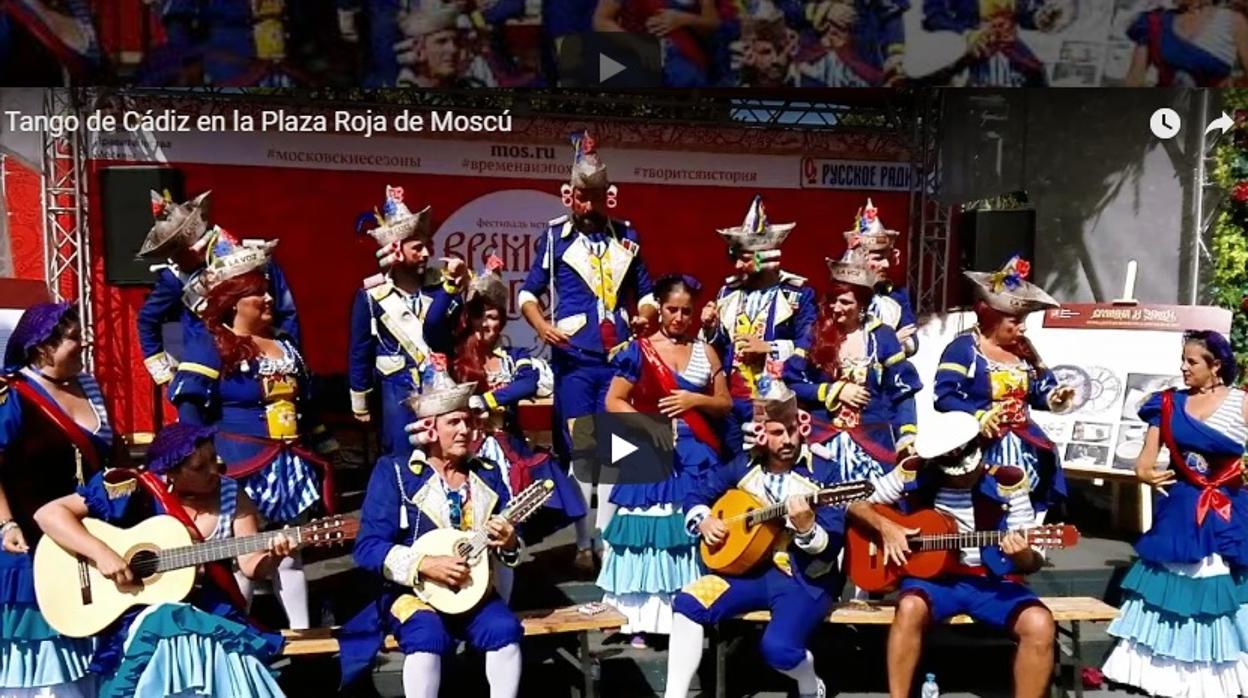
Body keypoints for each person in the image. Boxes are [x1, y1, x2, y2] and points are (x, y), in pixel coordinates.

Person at [34, 422, 296, 698]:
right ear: (170, 472)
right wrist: (102, 553)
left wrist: (273, 556)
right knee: (162, 622)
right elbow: (48, 515)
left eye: (213, 458)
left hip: (209, 607)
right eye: (199, 467)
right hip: (139, 609)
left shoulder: (231, 494)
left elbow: (250, 566)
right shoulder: (135, 488)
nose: (213, 471)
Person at [169, 241, 334, 630]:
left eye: (266, 290)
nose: (267, 298)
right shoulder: (211, 346)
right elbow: (189, 405)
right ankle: (235, 639)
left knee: (290, 553)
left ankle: (303, 638)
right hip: (240, 465)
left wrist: (324, 446)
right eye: (256, 293)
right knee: (245, 558)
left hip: (290, 466)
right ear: (233, 302)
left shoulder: (286, 345)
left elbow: (305, 405)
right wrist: (203, 462)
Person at [518, 130, 658, 572]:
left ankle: (609, 543)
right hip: (575, 359)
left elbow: (647, 292)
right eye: (583, 198)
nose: (590, 207)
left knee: (614, 448)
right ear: (570, 196)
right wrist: (542, 325)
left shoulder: (628, 236)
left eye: (597, 198)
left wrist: (645, 316)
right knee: (582, 452)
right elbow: (527, 293)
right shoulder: (554, 237)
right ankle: (583, 542)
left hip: (617, 355)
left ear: (607, 197)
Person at [340, 372, 524, 698]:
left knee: (504, 629)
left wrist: (509, 541)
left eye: (468, 421)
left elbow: (512, 546)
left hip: (472, 591)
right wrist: (424, 563)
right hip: (412, 592)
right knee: (426, 635)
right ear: (429, 429)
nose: (465, 430)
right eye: (454, 422)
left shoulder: (488, 474)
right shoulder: (394, 472)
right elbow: (367, 548)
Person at [848, 410, 1056, 698]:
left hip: (991, 580)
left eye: (970, 470)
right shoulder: (913, 471)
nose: (964, 477)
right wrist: (887, 529)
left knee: (1039, 623)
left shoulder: (1008, 481)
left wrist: (1021, 555)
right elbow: (855, 503)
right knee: (908, 609)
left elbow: (1031, 562)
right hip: (933, 580)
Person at [664, 382, 842, 698]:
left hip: (803, 579)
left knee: (778, 650)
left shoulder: (823, 474)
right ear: (761, 434)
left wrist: (806, 529)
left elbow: (831, 546)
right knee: (688, 602)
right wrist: (704, 520)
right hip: (748, 572)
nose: (787, 440)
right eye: (776, 432)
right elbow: (696, 494)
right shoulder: (742, 467)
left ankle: (810, 684)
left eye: (791, 430)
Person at [1101, 331, 1248, 696]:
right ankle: (1165, 676)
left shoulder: (1242, 403)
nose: (1183, 367)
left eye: (1192, 361)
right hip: (1181, 508)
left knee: (1218, 590)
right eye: (1182, 360)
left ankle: (1215, 680)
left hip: (1227, 509)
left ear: (1216, 366)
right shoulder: (1166, 404)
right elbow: (1144, 464)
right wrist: (1148, 474)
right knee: (1172, 590)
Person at [598, 274, 731, 648]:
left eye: (686, 311)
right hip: (652, 446)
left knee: (688, 530)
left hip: (697, 452)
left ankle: (688, 613)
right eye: (672, 309)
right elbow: (614, 401)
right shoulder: (638, 350)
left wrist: (694, 401)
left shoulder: (707, 352)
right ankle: (638, 619)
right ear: (659, 308)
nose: (679, 317)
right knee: (648, 532)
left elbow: (724, 403)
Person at [424, 256, 587, 554]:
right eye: (480, 316)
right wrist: (450, 284)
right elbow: (433, 323)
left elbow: (528, 382)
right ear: (467, 318)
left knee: (539, 487)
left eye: (494, 316)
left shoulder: (514, 354)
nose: (487, 324)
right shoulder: (454, 353)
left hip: (508, 444)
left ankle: (535, 552)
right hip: (466, 447)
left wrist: (485, 399)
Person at [0, 302, 110, 698]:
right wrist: (6, 524)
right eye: (74, 339)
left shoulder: (92, 387)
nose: (84, 344)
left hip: (90, 535)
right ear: (42, 347)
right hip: (29, 540)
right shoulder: (11, 395)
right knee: (46, 656)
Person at [933, 255, 1075, 520]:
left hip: (1025, 445)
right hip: (980, 448)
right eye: (1014, 321)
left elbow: (1040, 389)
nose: (1022, 328)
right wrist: (980, 416)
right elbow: (944, 396)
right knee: (985, 509)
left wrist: (1054, 396)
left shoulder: (1024, 351)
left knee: (1023, 508)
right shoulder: (964, 349)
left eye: (1023, 321)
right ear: (992, 316)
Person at [137, 190, 301, 387]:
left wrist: (291, 356)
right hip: (207, 369)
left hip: (262, 362)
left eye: (179, 249)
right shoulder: (174, 278)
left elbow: (286, 311)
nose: (176, 258)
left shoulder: (255, 260)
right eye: (172, 251)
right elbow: (147, 321)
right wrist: (164, 375)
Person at [785, 260, 920, 486]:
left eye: (845, 302)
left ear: (862, 306)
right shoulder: (815, 334)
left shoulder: (883, 337)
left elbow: (903, 392)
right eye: (833, 301)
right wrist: (834, 390)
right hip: (823, 440)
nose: (836, 308)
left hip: (873, 441)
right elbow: (792, 380)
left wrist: (907, 434)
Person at [702, 194, 816, 451]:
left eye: (746, 257)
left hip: (775, 400)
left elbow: (809, 343)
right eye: (737, 257)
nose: (738, 264)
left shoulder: (797, 295)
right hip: (733, 401)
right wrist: (710, 327)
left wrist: (770, 348)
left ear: (767, 256)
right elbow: (720, 347)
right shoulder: (727, 293)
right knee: (733, 467)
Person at [349, 185, 448, 459]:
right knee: (400, 457)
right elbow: (360, 350)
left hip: (438, 388)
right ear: (396, 250)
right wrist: (361, 401)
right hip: (396, 390)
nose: (426, 254)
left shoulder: (440, 289)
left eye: (427, 246)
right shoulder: (372, 295)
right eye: (417, 248)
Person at [920, 0, 1075, 86]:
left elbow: (1027, 14)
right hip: (966, 47)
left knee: (1037, 77)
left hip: (1009, 47)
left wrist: (1041, 17)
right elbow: (933, 17)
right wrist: (966, 35)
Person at [840, 198, 918, 356]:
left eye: (887, 258)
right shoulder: (841, 296)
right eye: (877, 258)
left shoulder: (897, 295)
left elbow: (911, 339)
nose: (886, 265)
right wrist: (892, 342)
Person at [593, 0, 720, 86]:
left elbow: (712, 23)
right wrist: (638, 45)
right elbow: (602, 20)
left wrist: (683, 19)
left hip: (687, 62)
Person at [1124, 0, 1248, 87]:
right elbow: (1134, 79)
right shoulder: (1154, 22)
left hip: (1212, 113)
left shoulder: (1233, 21)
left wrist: (1235, 84)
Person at [800, 0, 908, 87]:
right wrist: (823, 10)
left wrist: (895, 57)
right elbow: (787, 7)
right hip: (812, 66)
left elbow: (891, 13)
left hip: (865, 68)